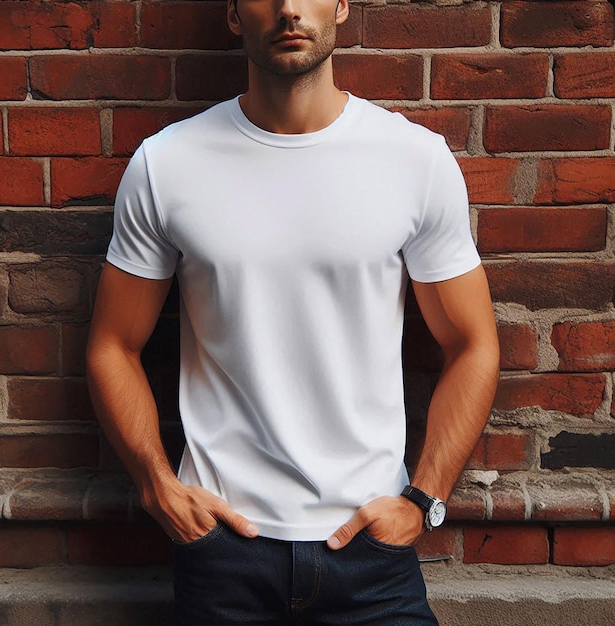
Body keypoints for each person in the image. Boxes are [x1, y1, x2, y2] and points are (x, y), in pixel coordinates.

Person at [86, 0, 500, 622]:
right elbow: (112, 344)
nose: (286, 9)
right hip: (223, 550)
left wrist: (424, 500)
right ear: (231, 14)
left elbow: (473, 344)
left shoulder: (414, 160)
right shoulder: (167, 163)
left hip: (371, 552)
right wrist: (156, 487)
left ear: (339, 5)